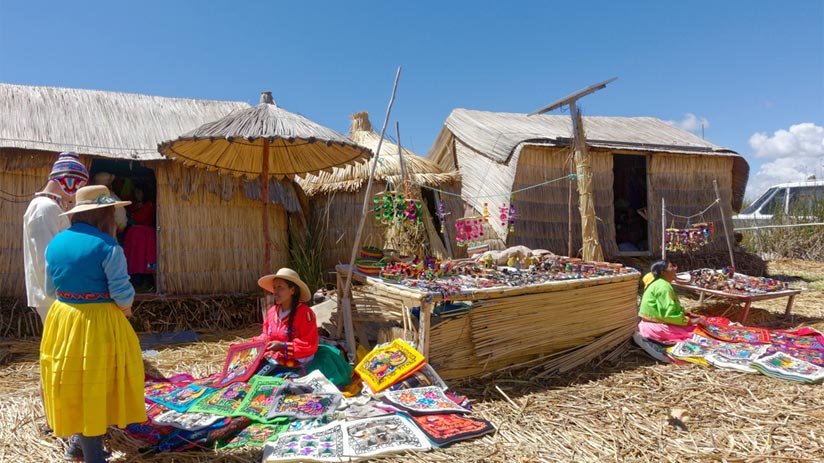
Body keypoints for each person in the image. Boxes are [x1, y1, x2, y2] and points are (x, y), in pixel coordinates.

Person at [41, 185, 146, 462]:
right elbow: (122, 294)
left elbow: (50, 291)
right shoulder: (107, 246)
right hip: (97, 323)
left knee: (78, 383)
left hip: (63, 319)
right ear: (105, 214)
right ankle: (92, 457)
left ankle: (78, 445)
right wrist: (125, 310)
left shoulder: (55, 243)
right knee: (96, 385)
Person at [23, 151, 89, 323]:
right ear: (69, 181)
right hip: (54, 296)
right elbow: (46, 257)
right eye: (81, 186)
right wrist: (66, 292)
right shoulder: (45, 208)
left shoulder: (50, 207)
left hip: (56, 294)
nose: (79, 192)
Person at [253, 268, 319, 371]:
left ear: (292, 290)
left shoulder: (305, 313)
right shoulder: (271, 312)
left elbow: (309, 344)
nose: (276, 292)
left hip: (299, 358)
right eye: (274, 288)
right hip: (277, 357)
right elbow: (266, 335)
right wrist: (253, 344)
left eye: (280, 288)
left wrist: (283, 346)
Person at [637, 259, 703, 343]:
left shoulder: (659, 283)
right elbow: (668, 315)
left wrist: (685, 314)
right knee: (699, 334)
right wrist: (691, 321)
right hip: (656, 328)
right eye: (671, 266)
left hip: (650, 325)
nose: (675, 268)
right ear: (663, 272)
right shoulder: (663, 287)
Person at [122, 186, 157, 291]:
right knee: (134, 258)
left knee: (145, 257)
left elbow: (138, 218)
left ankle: (148, 282)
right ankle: (136, 282)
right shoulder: (132, 205)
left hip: (145, 237)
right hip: (134, 237)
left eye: (139, 192)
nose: (137, 194)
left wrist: (130, 216)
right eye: (136, 192)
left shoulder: (149, 205)